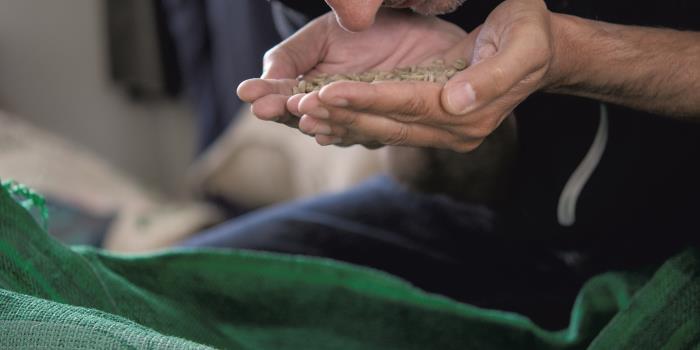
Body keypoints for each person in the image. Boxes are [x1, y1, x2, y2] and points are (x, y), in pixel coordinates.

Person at [184, 0, 700, 329]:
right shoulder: (353, 10)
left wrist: (575, 57)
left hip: (676, 235)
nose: (355, 15)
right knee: (180, 296)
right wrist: (435, 118)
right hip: (510, 225)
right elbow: (453, 182)